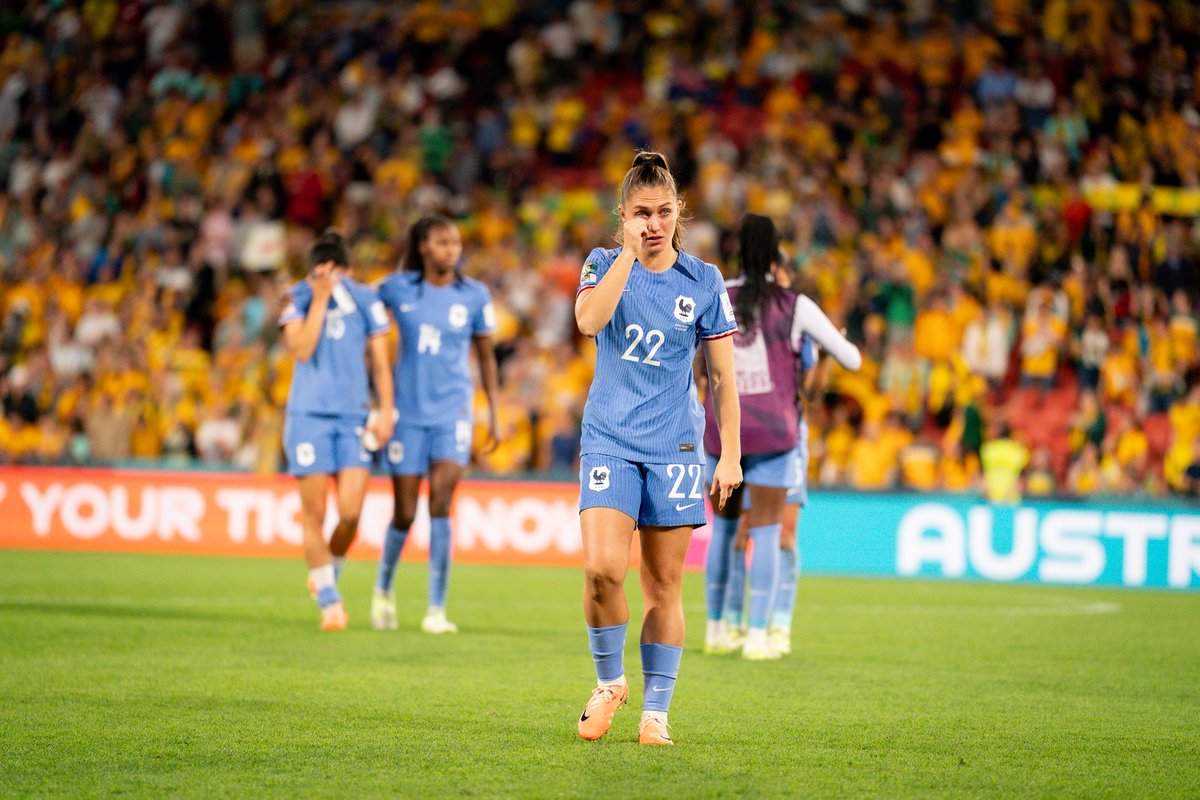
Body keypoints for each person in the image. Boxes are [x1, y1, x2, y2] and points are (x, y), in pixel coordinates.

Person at [573, 151, 741, 747]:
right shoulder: (601, 263)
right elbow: (590, 322)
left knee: (665, 587)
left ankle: (656, 714)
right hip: (609, 441)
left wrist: (731, 454)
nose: (653, 223)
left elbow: (722, 377)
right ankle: (611, 682)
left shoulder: (704, 281)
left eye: (663, 212)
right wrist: (625, 255)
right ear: (622, 216)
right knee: (600, 571)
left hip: (675, 448)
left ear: (679, 213)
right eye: (640, 213)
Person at [700, 214, 862, 660]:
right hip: (774, 433)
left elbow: (697, 367)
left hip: (722, 435)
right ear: (775, 254)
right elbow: (852, 360)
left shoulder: (716, 294)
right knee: (767, 533)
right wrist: (831, 345)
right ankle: (756, 637)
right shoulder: (795, 304)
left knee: (723, 531)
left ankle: (716, 630)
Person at [371, 215, 500, 634]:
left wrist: (493, 413)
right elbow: (359, 306)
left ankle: (436, 609)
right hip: (407, 416)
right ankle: (383, 588)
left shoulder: (475, 295)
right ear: (424, 246)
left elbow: (486, 358)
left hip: (453, 414)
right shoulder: (397, 288)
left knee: (441, 501)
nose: (452, 249)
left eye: (456, 242)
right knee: (405, 513)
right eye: (443, 242)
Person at [279, 230, 395, 630]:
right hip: (308, 416)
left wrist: (387, 410)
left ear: (344, 270)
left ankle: (325, 572)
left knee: (350, 514)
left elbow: (381, 364)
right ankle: (330, 601)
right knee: (314, 513)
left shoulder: (366, 300)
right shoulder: (298, 297)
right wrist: (321, 299)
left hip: (353, 418)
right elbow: (301, 349)